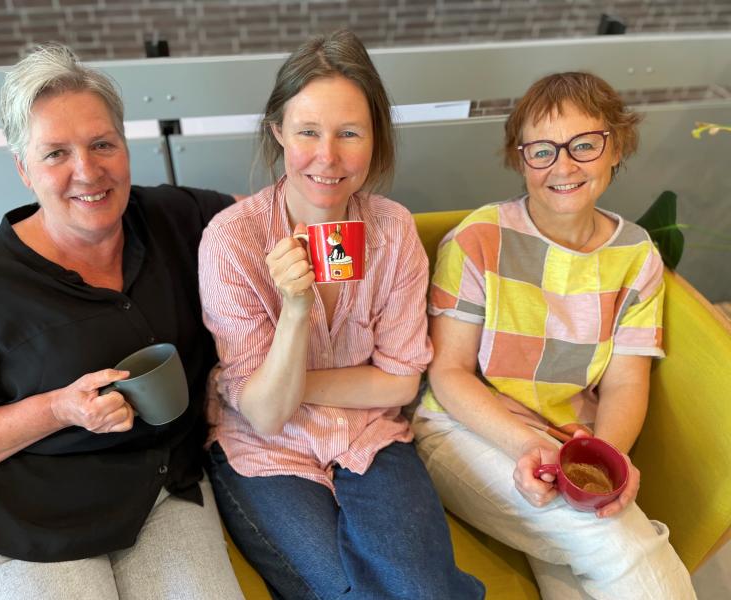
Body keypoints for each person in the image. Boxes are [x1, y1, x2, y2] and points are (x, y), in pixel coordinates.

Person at [0, 44, 244, 600]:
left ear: (125, 147)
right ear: (24, 170)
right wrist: (56, 409)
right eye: (56, 153)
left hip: (162, 490)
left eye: (103, 144)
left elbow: (270, 217)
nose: (87, 170)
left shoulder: (176, 218)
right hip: (23, 510)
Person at [199, 30, 484, 600]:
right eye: (308, 131)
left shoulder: (392, 230)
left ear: (375, 139)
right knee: (347, 592)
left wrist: (292, 388)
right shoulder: (232, 241)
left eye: (349, 133)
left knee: (425, 591)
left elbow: (399, 382)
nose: (327, 157)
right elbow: (264, 416)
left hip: (369, 436)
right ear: (278, 131)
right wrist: (295, 310)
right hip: (265, 452)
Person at [412, 71, 696, 599]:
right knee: (619, 544)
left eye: (584, 145)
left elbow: (625, 383)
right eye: (542, 151)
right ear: (521, 160)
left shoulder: (637, 256)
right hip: (466, 430)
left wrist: (601, 460)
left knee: (580, 572)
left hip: (573, 442)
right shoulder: (478, 239)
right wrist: (529, 447)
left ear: (616, 147)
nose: (563, 166)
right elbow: (448, 373)